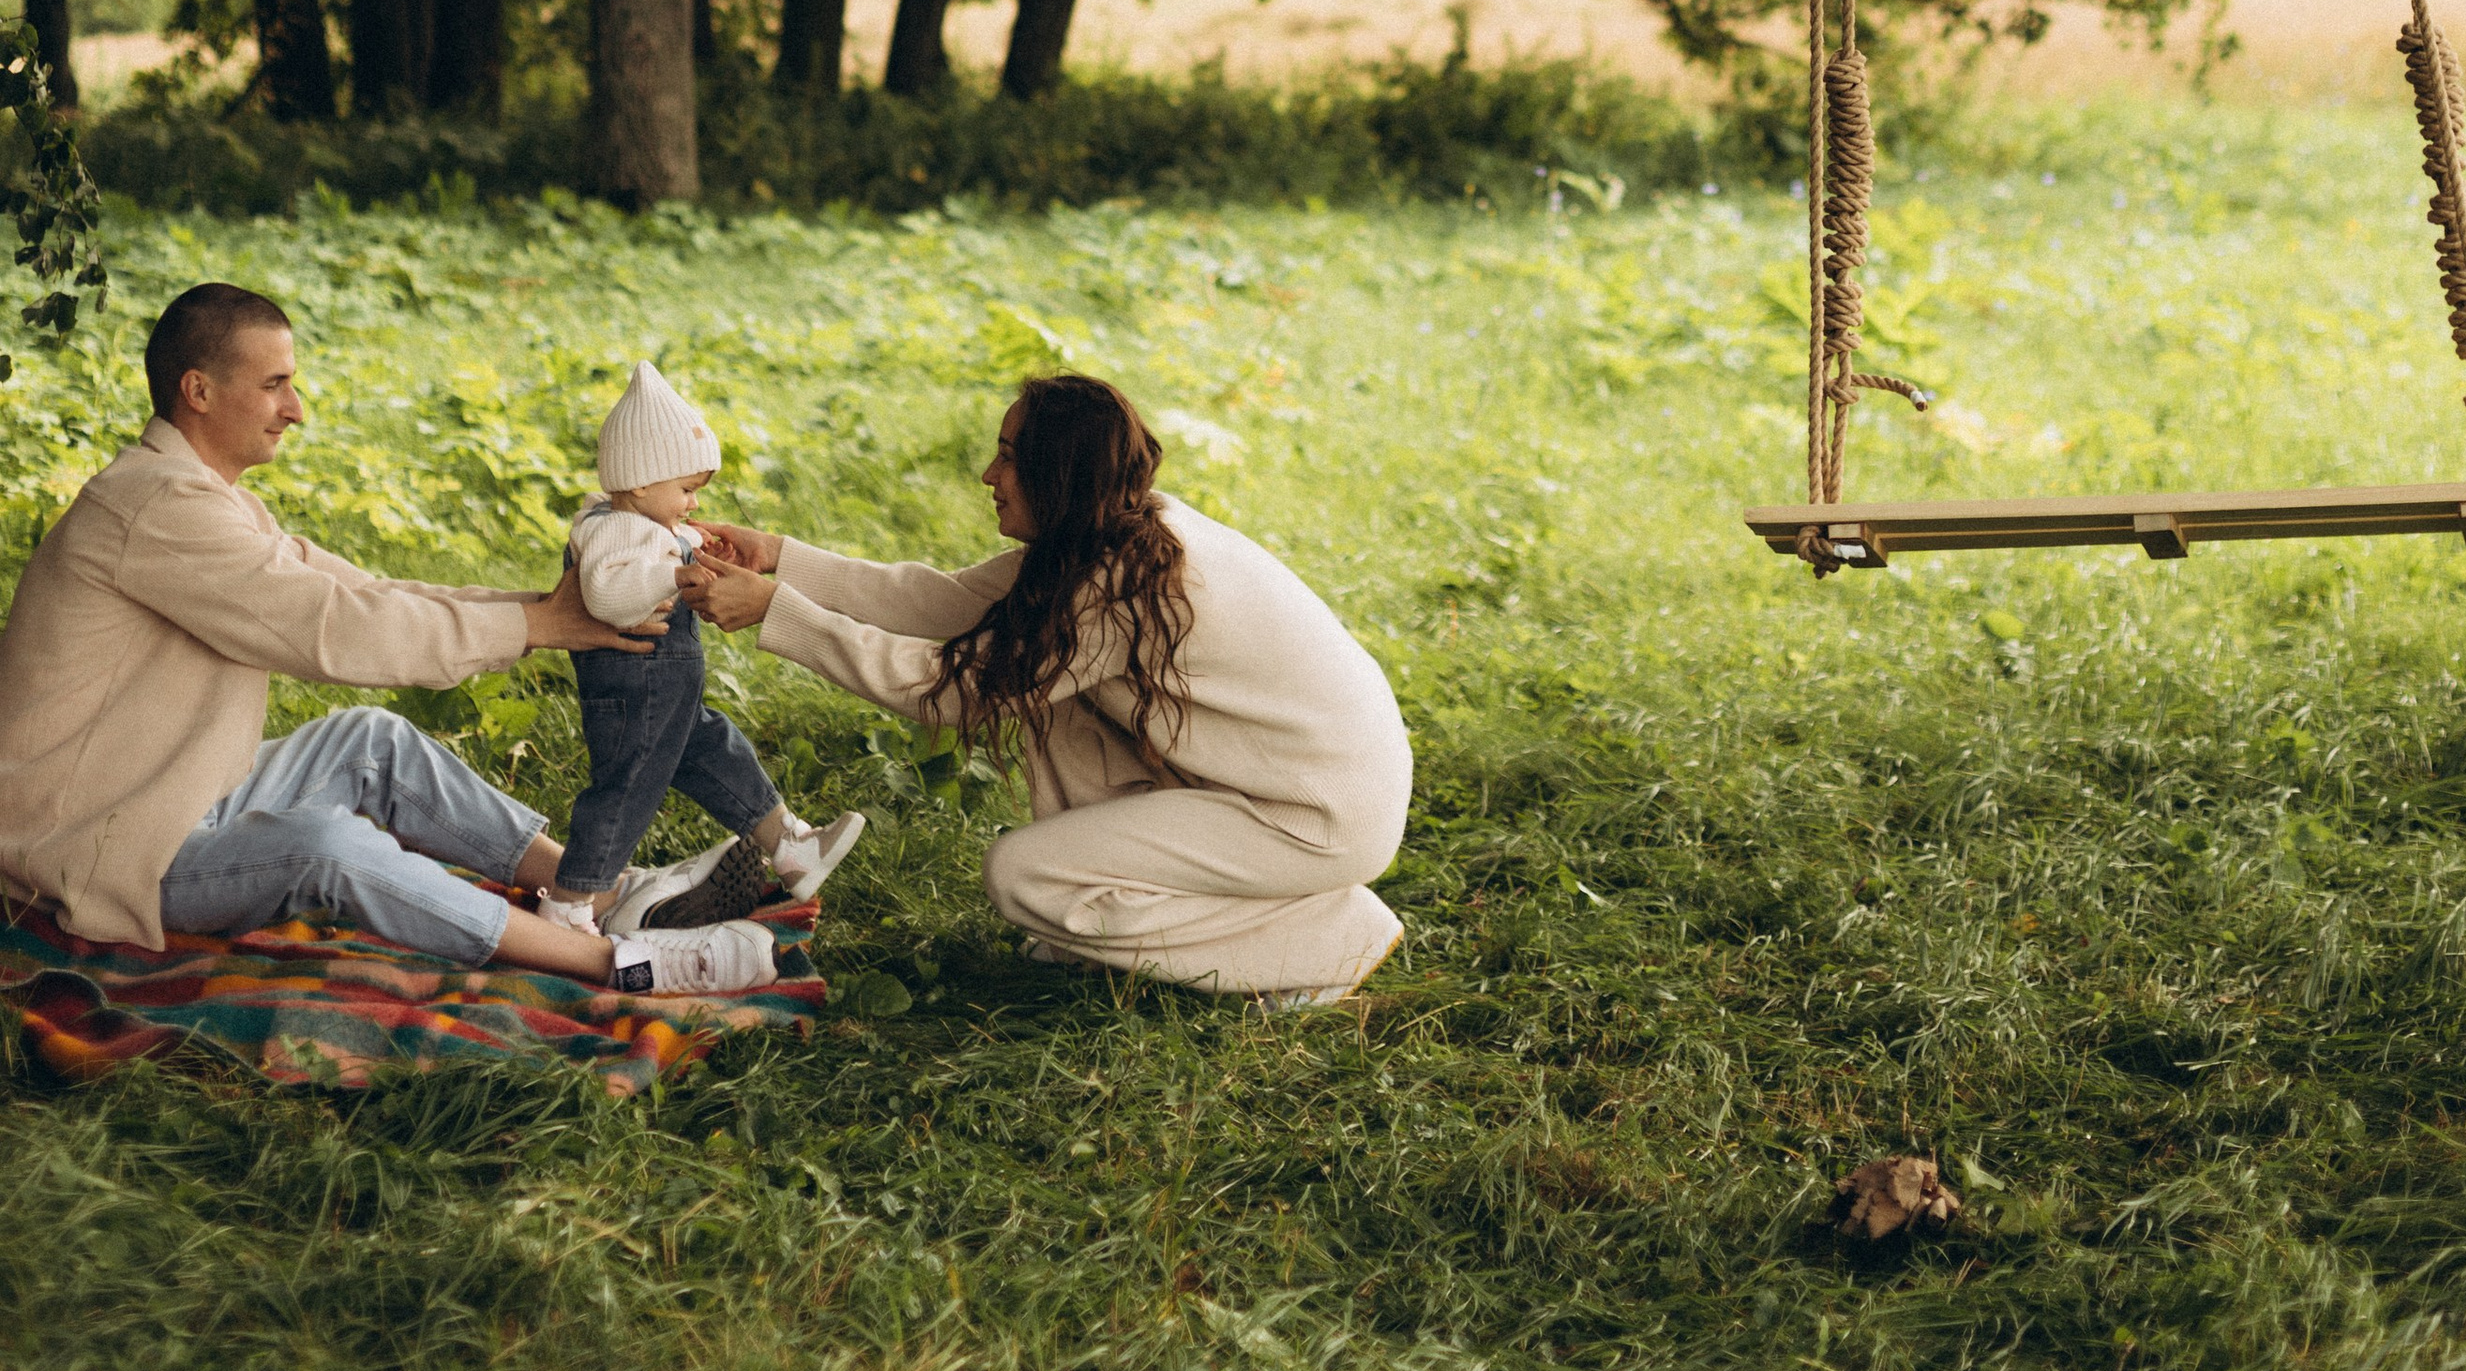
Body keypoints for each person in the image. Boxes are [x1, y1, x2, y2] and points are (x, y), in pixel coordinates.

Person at [0, 281, 775, 996]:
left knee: (370, 742)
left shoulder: (200, 498)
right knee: (323, 846)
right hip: (96, 847)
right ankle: (614, 961)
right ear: (197, 391)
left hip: (170, 794)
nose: (295, 407)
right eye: (274, 384)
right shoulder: (156, 508)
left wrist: (544, 611)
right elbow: (334, 629)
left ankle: (601, 888)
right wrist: (539, 623)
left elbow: (365, 590)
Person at [686, 371, 1411, 1003]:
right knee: (1048, 697)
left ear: (1055, 472)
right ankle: (1100, 926)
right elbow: (941, 601)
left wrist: (773, 609)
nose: (988, 475)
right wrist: (781, 558)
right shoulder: (1105, 533)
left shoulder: (1124, 581)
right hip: (1294, 781)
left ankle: (1328, 936)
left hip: (1318, 812)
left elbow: (953, 689)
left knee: (1022, 875)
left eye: (1007, 456)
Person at [543, 361, 863, 936]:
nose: (692, 504)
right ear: (641, 483)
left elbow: (657, 546)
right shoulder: (612, 529)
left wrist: (689, 544)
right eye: (686, 491)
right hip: (635, 684)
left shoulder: (637, 521)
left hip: (663, 687)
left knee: (714, 747)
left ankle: (791, 848)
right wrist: (673, 575)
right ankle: (570, 904)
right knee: (627, 784)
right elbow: (607, 592)